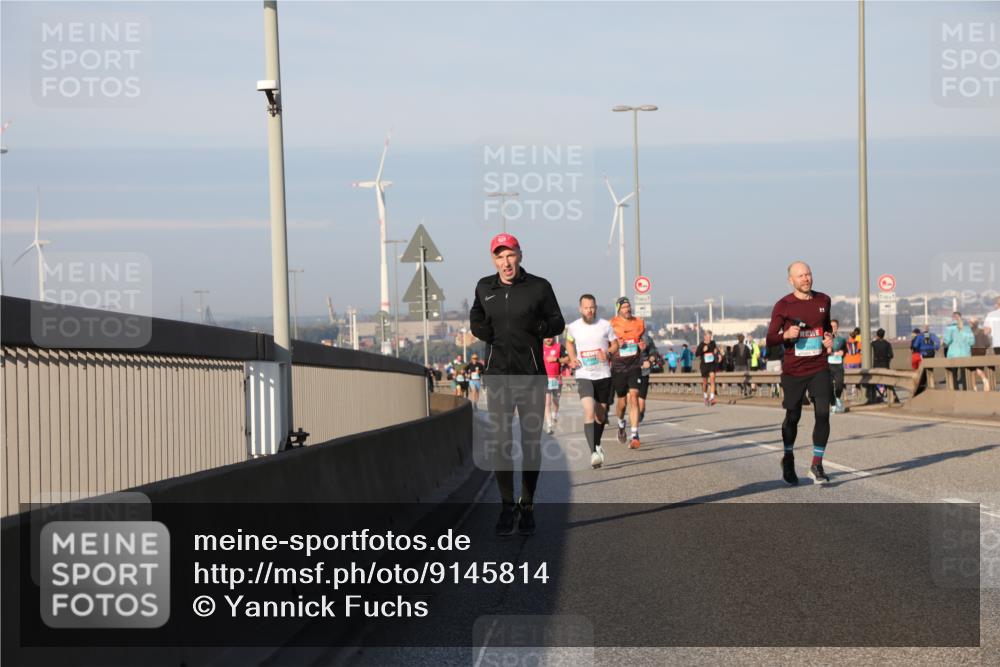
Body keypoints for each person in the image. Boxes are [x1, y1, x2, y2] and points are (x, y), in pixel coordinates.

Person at [470, 233, 564, 536]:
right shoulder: (485, 287)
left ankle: (528, 505)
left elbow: (557, 322)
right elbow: (476, 316)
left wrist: (539, 327)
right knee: (500, 443)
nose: (505, 262)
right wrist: (482, 331)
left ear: (520, 255)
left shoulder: (539, 286)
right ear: (493, 260)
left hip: (532, 376)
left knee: (530, 444)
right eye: (499, 256)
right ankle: (507, 506)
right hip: (498, 376)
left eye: (510, 255)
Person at [766, 261, 834, 486]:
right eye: (801, 276)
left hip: (819, 366)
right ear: (791, 280)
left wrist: (828, 338)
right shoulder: (783, 305)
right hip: (794, 370)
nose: (806, 279)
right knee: (793, 416)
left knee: (823, 412)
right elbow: (770, 338)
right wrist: (785, 335)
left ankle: (817, 464)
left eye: (808, 274)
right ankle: (788, 456)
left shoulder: (823, 300)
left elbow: (824, 328)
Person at [565, 294, 619, 470]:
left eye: (592, 307)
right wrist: (572, 358)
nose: (589, 310)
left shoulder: (605, 325)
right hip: (584, 374)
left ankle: (597, 444)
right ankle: (593, 453)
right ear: (580, 309)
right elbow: (569, 344)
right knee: (589, 411)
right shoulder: (573, 327)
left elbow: (615, 344)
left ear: (596, 308)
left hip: (603, 374)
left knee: (600, 415)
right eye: (586, 307)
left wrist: (608, 353)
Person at [610, 297, 646, 449]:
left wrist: (642, 346)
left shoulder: (639, 322)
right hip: (618, 367)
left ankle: (635, 434)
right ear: (618, 309)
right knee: (622, 403)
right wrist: (615, 344)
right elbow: (606, 344)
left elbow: (641, 340)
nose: (627, 309)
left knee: (634, 396)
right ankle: (620, 423)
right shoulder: (611, 324)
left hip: (634, 366)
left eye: (628, 306)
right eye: (624, 307)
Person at [942, 311, 975, 391]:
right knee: (964, 375)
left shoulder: (950, 328)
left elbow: (947, 341)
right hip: (965, 354)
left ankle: (956, 391)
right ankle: (965, 391)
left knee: (954, 375)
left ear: (953, 318)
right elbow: (972, 342)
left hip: (953, 354)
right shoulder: (967, 328)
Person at [542, 336, 568, 433]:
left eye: (550, 337)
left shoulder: (559, 347)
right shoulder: (540, 348)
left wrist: (556, 359)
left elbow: (567, 359)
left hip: (556, 379)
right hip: (545, 379)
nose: (548, 339)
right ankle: (549, 425)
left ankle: (555, 414)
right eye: (546, 337)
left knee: (556, 401)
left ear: (553, 337)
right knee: (547, 403)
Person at [871, 328, 899, 403]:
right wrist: (887, 359)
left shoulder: (873, 343)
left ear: (877, 335)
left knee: (875, 380)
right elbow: (891, 355)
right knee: (887, 381)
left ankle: (880, 394)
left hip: (876, 364)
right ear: (883, 335)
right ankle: (890, 395)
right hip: (885, 364)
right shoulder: (887, 344)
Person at [637, 330, 658, 423]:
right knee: (631, 396)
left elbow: (653, 353)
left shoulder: (647, 339)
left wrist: (649, 361)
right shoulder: (626, 338)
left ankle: (640, 415)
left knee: (641, 397)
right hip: (629, 372)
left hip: (643, 372)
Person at [828, 319, 847, 412]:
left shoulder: (841, 339)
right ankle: (833, 404)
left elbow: (845, 350)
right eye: (831, 326)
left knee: (839, 384)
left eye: (835, 326)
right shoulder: (825, 339)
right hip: (828, 365)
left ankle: (838, 398)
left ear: (837, 327)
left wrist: (843, 352)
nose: (833, 328)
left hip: (838, 365)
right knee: (830, 386)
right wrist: (828, 352)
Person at [695, 330, 719, 406]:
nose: (709, 338)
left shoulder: (713, 343)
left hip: (712, 364)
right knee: (705, 382)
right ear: (705, 336)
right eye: (708, 337)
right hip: (704, 365)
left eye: (710, 337)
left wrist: (716, 352)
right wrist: (703, 350)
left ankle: (712, 398)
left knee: (712, 379)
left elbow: (715, 350)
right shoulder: (701, 344)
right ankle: (705, 396)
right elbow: (696, 354)